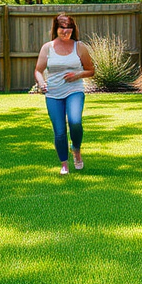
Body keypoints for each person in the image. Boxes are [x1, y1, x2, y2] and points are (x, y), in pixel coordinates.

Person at [34, 13, 95, 175]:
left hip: (74, 90)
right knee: (59, 131)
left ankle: (76, 148)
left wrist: (77, 75)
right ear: (56, 28)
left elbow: (91, 70)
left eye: (69, 28)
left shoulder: (79, 46)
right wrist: (41, 83)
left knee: (75, 121)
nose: (66, 31)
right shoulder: (47, 47)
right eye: (62, 27)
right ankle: (64, 164)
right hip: (53, 93)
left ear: (73, 29)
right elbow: (38, 71)